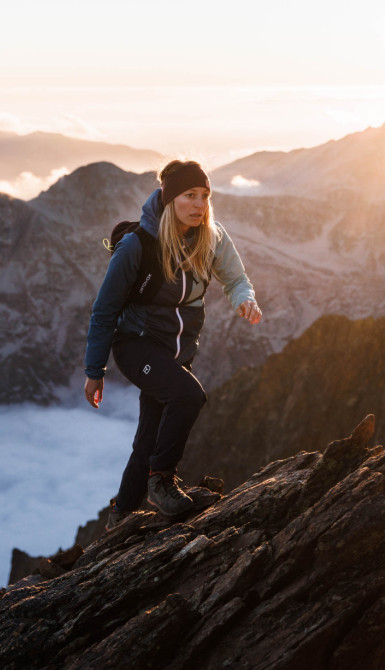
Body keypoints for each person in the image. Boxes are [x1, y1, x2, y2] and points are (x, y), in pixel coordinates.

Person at [83, 160, 262, 528]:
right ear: (169, 200)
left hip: (175, 353)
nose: (199, 204)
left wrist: (245, 298)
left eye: (205, 196)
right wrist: (94, 371)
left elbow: (235, 277)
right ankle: (161, 480)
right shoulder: (138, 246)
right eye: (189, 196)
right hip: (136, 346)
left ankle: (122, 514)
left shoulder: (211, 237)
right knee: (188, 396)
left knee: (148, 438)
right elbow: (104, 311)